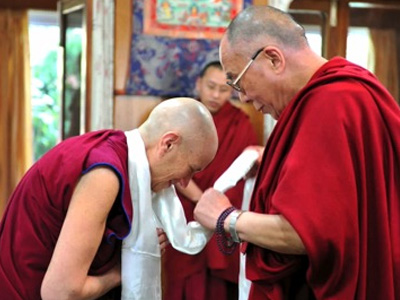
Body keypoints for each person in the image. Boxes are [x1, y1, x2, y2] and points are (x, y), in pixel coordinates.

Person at [194, 5, 400, 300]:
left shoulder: (330, 102)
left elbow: (305, 233)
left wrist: (226, 218)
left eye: (237, 81)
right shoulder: (349, 90)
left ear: (273, 59)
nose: (244, 97)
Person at [0, 97, 218, 300]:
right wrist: (123, 270)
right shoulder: (104, 175)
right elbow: (60, 292)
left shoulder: (120, 155)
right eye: (190, 169)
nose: (186, 183)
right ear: (168, 144)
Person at [162, 61, 259, 300]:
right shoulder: (178, 117)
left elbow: (243, 177)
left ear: (233, 90)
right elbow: (166, 166)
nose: (216, 95)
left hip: (221, 214)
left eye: (224, 89)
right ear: (199, 84)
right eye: (210, 87)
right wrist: (201, 200)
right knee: (183, 279)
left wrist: (213, 208)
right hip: (184, 209)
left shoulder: (240, 123)